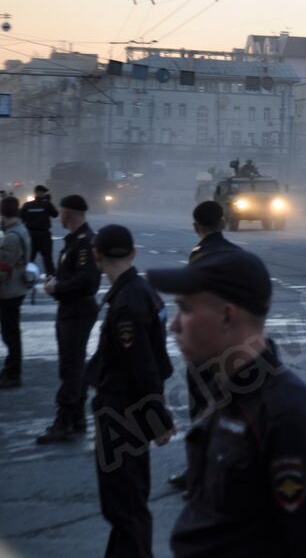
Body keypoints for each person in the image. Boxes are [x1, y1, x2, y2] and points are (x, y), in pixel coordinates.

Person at [148, 246, 306, 558]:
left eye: (185, 309)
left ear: (227, 315)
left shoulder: (288, 416)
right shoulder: (225, 393)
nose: (173, 325)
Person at [86, 224, 176, 558]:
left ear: (97, 256)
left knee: (124, 506)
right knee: (127, 504)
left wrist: (158, 419)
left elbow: (144, 368)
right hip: (129, 410)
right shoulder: (144, 292)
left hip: (120, 413)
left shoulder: (126, 303)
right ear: (133, 252)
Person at [169, 202, 239, 493]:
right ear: (223, 223)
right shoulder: (238, 255)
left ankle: (199, 474)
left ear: (196, 226)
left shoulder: (200, 256)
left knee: (201, 409)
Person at [37, 195, 103, 444]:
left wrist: (58, 287)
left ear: (70, 214)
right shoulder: (76, 240)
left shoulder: (85, 242)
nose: (59, 216)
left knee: (71, 367)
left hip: (78, 310)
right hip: (71, 309)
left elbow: (88, 282)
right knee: (72, 365)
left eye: (62, 212)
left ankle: (64, 421)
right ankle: (75, 418)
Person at [0, 196, 33, 388]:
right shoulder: (20, 230)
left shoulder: (12, 237)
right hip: (16, 288)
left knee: (10, 334)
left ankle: (13, 373)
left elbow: (3, 268)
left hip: (9, 290)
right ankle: (11, 370)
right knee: (11, 332)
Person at [20, 184, 58, 299]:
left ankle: (25, 279)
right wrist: (49, 201)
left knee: (29, 259)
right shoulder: (47, 204)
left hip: (31, 234)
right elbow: (55, 214)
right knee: (47, 259)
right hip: (44, 234)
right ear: (40, 193)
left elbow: (21, 217)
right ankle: (51, 280)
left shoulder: (27, 205)